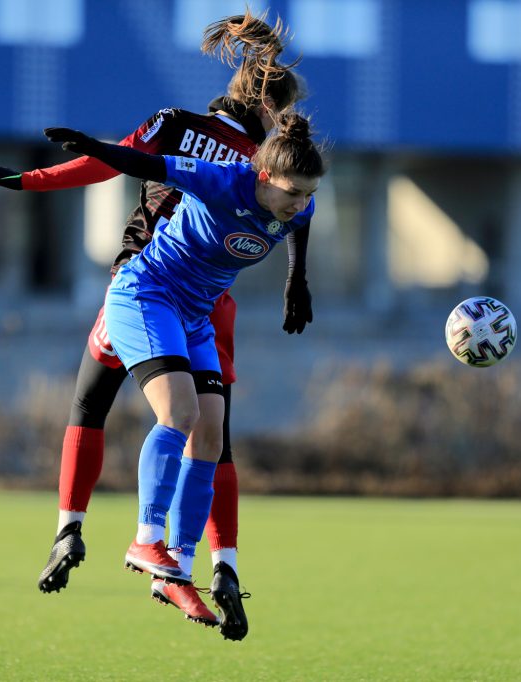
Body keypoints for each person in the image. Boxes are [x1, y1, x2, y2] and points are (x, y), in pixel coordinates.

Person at [0, 11, 310, 640]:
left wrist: (29, 180)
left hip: (195, 295)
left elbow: (112, 164)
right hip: (152, 284)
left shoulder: (187, 129)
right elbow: (125, 163)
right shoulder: (249, 165)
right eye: (281, 119)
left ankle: (81, 529)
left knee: (94, 404)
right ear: (266, 109)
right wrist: (295, 280)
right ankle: (200, 559)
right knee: (203, 430)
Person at [40, 109, 323, 629]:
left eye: (308, 194)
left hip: (195, 315)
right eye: (292, 193)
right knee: (179, 413)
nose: (300, 205)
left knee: (210, 438)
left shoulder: (297, 207)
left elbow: (300, 226)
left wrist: (296, 279)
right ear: (263, 176)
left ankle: (178, 561)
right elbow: (140, 160)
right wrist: (93, 144)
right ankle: (146, 539)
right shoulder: (222, 180)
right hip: (146, 294)